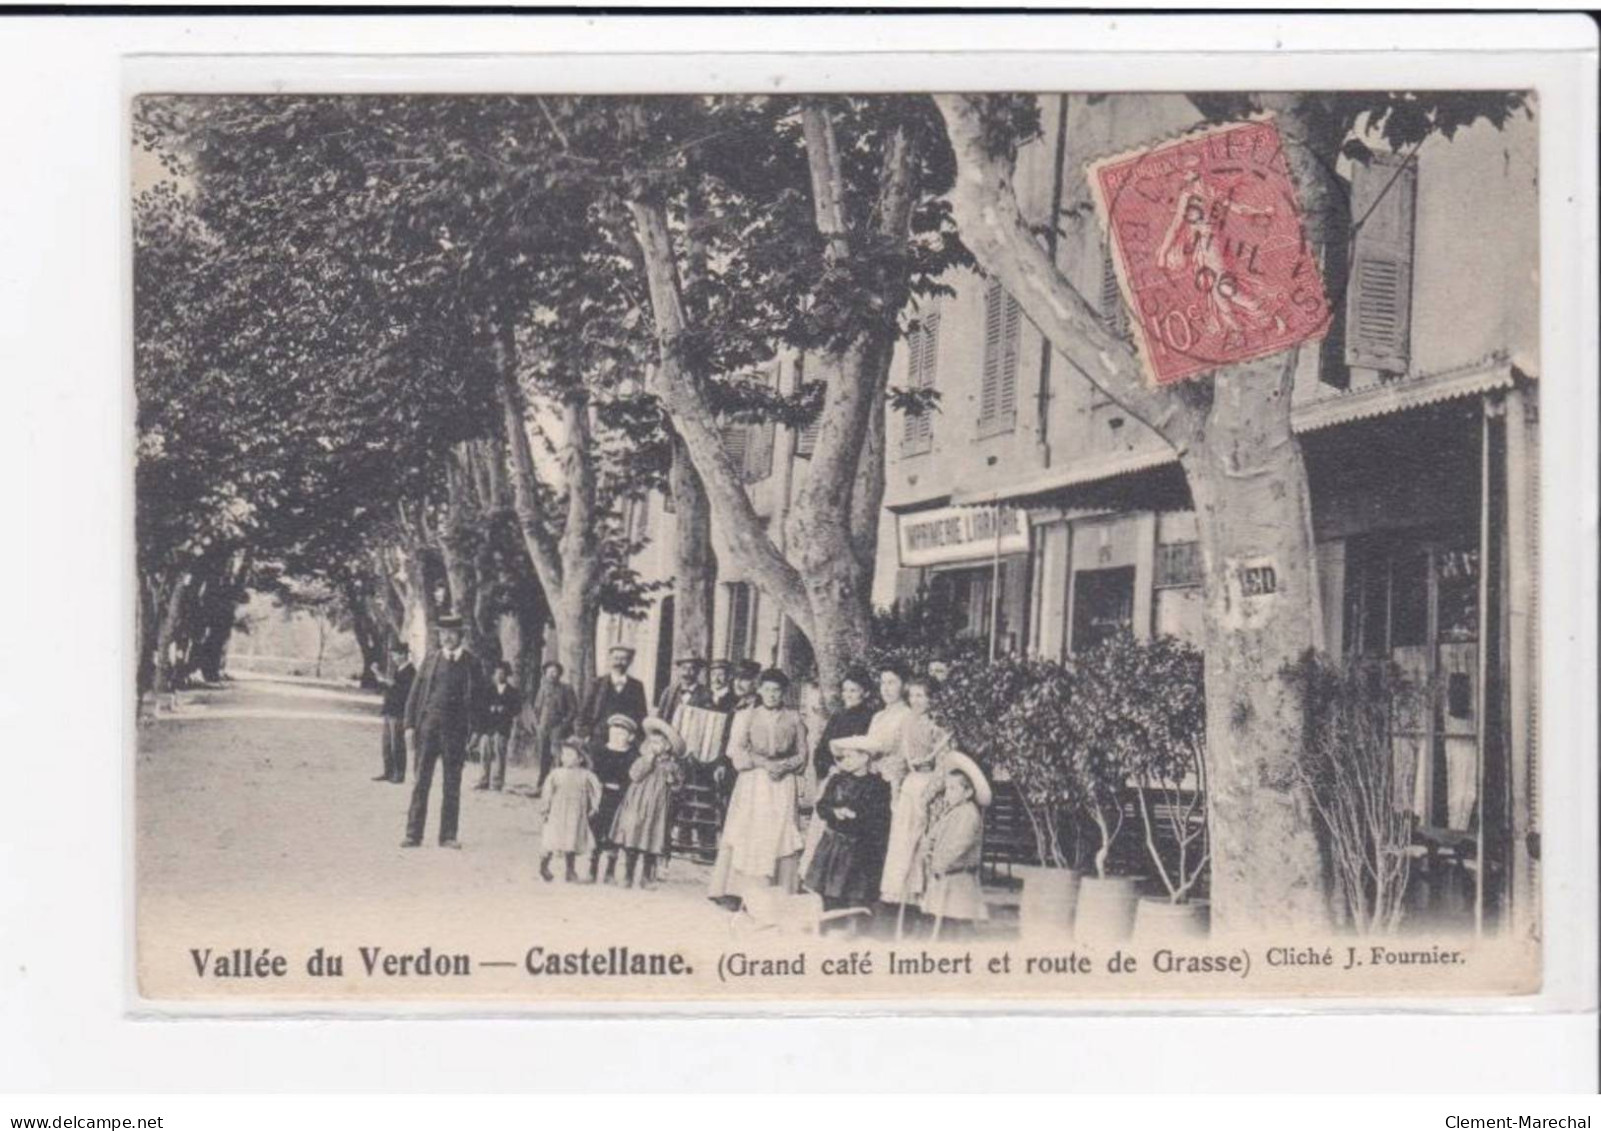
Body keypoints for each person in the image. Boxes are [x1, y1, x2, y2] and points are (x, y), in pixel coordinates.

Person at [707, 668, 808, 907]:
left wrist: (785, 766)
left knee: (778, 832)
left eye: (777, 690)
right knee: (749, 830)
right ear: (760, 690)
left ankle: (777, 891)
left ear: (784, 693)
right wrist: (763, 763)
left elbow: (803, 754)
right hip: (754, 781)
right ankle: (738, 891)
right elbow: (736, 749)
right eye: (768, 689)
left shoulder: (794, 718)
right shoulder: (747, 716)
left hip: (782, 784)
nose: (772, 695)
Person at [401, 615, 487, 850]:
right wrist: (409, 725)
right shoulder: (430, 660)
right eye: (443, 633)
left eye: (452, 633)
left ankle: (448, 835)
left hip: (456, 732)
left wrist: (478, 730)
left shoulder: (472, 664)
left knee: (452, 784)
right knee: (421, 781)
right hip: (428, 728)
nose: (447, 637)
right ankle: (413, 834)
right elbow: (414, 695)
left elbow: (480, 700)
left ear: (461, 636)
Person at [877, 678, 954, 929]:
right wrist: (895, 790)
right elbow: (900, 757)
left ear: (932, 699)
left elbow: (945, 763)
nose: (916, 700)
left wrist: (931, 793)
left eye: (922, 696)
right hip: (910, 785)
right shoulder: (907, 722)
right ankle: (903, 896)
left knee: (924, 842)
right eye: (913, 696)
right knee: (903, 841)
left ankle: (925, 900)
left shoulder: (940, 725)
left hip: (931, 787)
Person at [803, 735, 892, 934]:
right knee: (828, 892)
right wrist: (835, 812)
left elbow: (880, 819)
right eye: (843, 757)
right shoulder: (837, 780)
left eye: (850, 757)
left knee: (856, 895)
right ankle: (828, 930)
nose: (845, 761)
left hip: (859, 850)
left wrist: (856, 816)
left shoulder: (878, 786)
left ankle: (854, 935)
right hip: (833, 845)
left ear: (865, 758)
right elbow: (822, 806)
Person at [918, 753, 993, 941]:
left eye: (953, 789)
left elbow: (959, 845)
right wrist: (927, 849)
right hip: (946, 877)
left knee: (960, 922)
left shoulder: (968, 815)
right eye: (946, 788)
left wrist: (940, 863)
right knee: (945, 922)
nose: (947, 794)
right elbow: (933, 836)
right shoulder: (952, 813)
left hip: (959, 877)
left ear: (967, 792)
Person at [609, 717, 687, 889]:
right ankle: (628, 875)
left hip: (657, 809)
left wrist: (673, 781)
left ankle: (646, 877)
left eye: (658, 743)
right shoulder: (643, 759)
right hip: (638, 804)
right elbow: (634, 775)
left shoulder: (672, 766)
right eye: (652, 742)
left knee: (651, 840)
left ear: (667, 746)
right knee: (633, 838)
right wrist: (648, 760)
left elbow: (678, 788)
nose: (654, 746)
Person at [537, 738, 602, 883]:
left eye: (570, 755)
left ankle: (570, 870)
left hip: (576, 813)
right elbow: (547, 791)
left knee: (571, 839)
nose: (565, 758)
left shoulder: (586, 775)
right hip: (557, 812)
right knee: (552, 839)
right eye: (564, 755)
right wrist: (545, 808)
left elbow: (595, 791)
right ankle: (544, 866)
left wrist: (594, 807)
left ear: (580, 758)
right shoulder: (556, 774)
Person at [587, 713, 639, 884]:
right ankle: (592, 869)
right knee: (597, 830)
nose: (617, 736)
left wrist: (624, 789)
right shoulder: (601, 751)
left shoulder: (632, 755)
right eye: (614, 731)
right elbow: (594, 773)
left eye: (622, 733)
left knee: (615, 832)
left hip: (620, 799)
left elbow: (633, 778)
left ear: (630, 737)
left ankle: (610, 870)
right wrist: (597, 787)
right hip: (601, 797)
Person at [811, 667, 878, 782]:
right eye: (845, 690)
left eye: (853, 691)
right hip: (835, 775)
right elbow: (822, 750)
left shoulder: (872, 718)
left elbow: (870, 753)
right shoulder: (837, 718)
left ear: (866, 693)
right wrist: (830, 767)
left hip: (860, 778)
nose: (848, 695)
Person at [578, 645, 648, 740]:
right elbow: (585, 710)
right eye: (616, 658)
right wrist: (584, 733)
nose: (619, 662)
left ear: (630, 661)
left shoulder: (637, 686)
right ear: (610, 660)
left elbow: (641, 714)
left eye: (624, 659)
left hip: (626, 738)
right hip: (600, 735)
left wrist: (638, 737)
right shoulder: (597, 684)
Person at [370, 643, 416, 784]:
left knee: (397, 744)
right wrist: (380, 677)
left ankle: (399, 774)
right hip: (390, 711)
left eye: (395, 654)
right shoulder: (399, 670)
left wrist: (385, 680)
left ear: (403, 654)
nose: (393, 658)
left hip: (399, 712)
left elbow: (403, 691)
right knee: (387, 743)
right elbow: (391, 687)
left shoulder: (410, 672)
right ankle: (388, 771)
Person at [530, 659, 577, 789]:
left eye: (555, 672)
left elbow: (573, 710)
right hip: (544, 728)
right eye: (549, 672)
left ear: (559, 674)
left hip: (559, 728)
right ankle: (542, 785)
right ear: (545, 673)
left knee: (558, 757)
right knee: (544, 757)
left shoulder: (566, 689)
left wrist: (563, 724)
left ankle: (559, 785)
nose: (552, 674)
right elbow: (537, 708)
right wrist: (538, 724)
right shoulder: (543, 689)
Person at [475, 661, 521, 792]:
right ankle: (483, 780)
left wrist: (504, 709)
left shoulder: (512, 691)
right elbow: (481, 708)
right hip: (488, 726)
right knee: (484, 753)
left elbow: (516, 708)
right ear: (494, 675)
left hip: (502, 726)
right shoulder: (488, 690)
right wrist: (490, 709)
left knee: (500, 753)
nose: (499, 675)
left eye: (502, 673)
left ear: (506, 675)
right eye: (497, 673)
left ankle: (497, 782)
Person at [655, 655, 711, 723]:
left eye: (692, 668)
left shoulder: (707, 694)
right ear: (678, 670)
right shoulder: (668, 692)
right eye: (684, 668)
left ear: (698, 671)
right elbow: (659, 718)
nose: (687, 673)